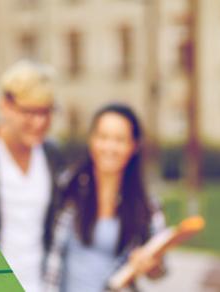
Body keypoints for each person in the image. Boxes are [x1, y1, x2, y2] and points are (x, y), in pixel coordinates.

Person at [44, 103, 166, 292]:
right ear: (91, 140)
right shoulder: (66, 189)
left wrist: (151, 265)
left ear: (134, 146)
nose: (109, 147)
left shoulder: (146, 205)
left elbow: (160, 269)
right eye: (103, 137)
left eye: (119, 140)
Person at [0, 60, 65, 292]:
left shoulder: (51, 155)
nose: (39, 122)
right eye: (29, 112)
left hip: (39, 285)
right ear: (5, 106)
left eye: (46, 112)